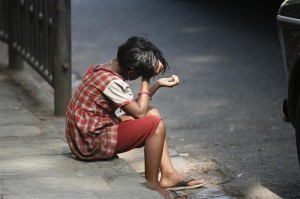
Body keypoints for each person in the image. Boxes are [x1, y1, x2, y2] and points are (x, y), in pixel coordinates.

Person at [65, 36, 206, 199]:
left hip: (87, 134)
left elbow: (138, 109)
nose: (141, 77)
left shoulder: (104, 69)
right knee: (155, 126)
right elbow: (138, 112)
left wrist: (158, 84)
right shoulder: (112, 82)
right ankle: (152, 185)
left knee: (152, 113)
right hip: (90, 144)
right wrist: (146, 77)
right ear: (132, 72)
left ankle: (168, 174)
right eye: (140, 75)